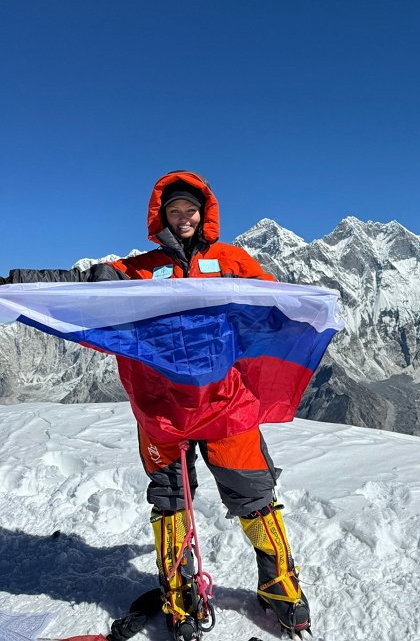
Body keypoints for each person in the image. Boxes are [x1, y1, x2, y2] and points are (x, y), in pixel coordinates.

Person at [0, 171, 311, 640]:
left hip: (224, 402)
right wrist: (14, 283)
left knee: (254, 496)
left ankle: (281, 588)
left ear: (203, 215)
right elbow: (79, 284)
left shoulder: (233, 261)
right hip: (163, 406)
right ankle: (178, 591)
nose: (183, 218)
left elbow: (275, 300)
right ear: (161, 217)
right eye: (174, 211)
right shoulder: (140, 269)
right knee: (170, 503)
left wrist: (316, 306)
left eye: (190, 210)